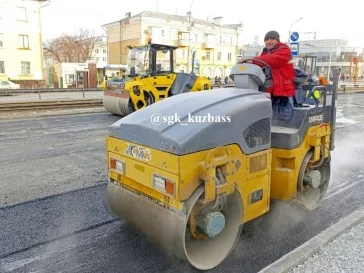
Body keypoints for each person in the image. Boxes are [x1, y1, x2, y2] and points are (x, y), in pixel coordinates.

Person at [239, 30, 296, 120]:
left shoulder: (284, 50)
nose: (269, 41)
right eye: (266, 39)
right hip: (269, 83)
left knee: (279, 117)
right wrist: (245, 63)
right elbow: (260, 63)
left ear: (278, 40)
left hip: (281, 84)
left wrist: (253, 60)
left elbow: (272, 59)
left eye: (272, 39)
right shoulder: (266, 52)